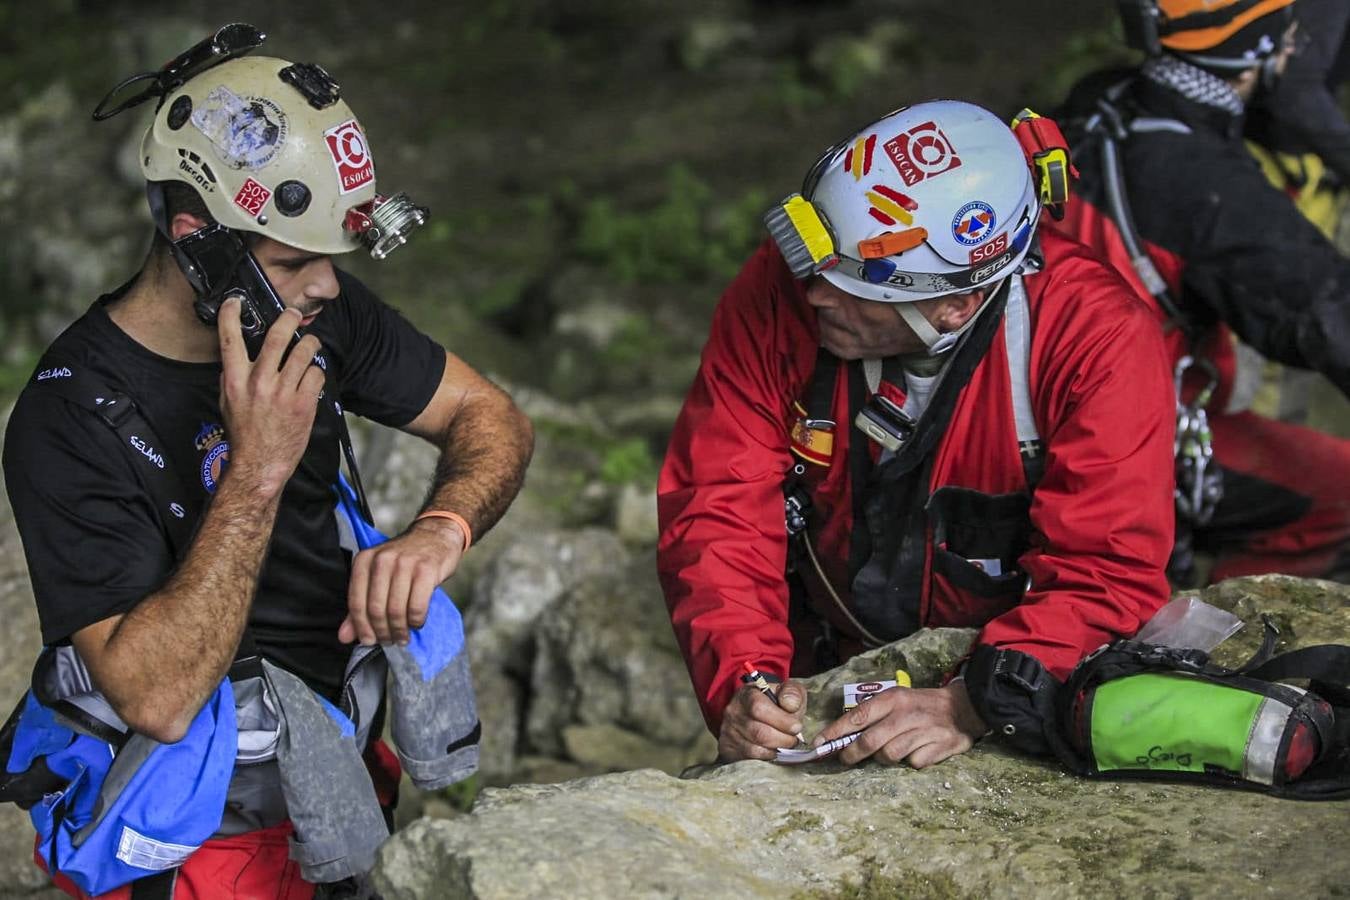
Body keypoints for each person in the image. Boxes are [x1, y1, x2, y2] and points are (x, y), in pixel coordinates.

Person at [1, 28, 532, 899]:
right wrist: (256, 470)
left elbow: (491, 418)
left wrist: (441, 530)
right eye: (294, 262)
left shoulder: (307, 311)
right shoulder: (70, 414)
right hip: (183, 838)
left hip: (338, 779)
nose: (325, 286)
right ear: (196, 240)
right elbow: (157, 698)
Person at [656, 100, 1175, 768]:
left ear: (954, 304)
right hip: (827, 651)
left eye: (849, 287)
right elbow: (718, 499)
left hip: (997, 660)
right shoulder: (782, 293)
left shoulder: (1094, 342)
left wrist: (973, 701)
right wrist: (745, 679)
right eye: (819, 270)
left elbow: (1107, 568)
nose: (816, 295)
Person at [1056, 0, 1350, 585]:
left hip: (1032, 399)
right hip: (1121, 438)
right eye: (1290, 31)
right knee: (1339, 492)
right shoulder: (1206, 187)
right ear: (1264, 52)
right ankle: (1240, 632)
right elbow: (1329, 317)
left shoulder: (1099, 101)